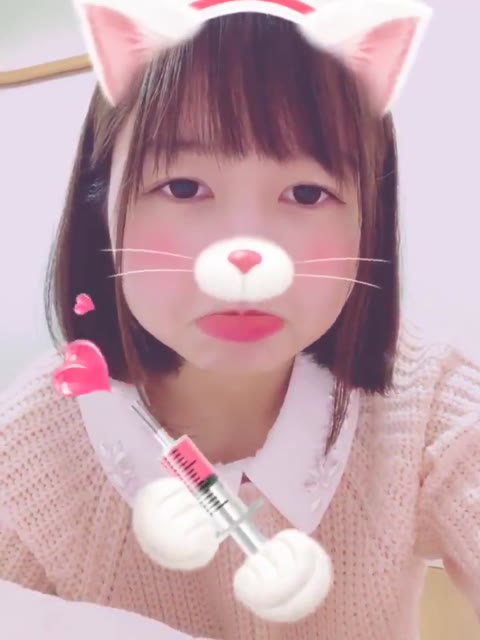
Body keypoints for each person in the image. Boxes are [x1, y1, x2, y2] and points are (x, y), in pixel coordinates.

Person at [1, 1, 479, 639]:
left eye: (307, 193)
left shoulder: (428, 404)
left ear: (371, 217)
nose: (246, 251)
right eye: (183, 188)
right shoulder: (28, 452)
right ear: (101, 205)